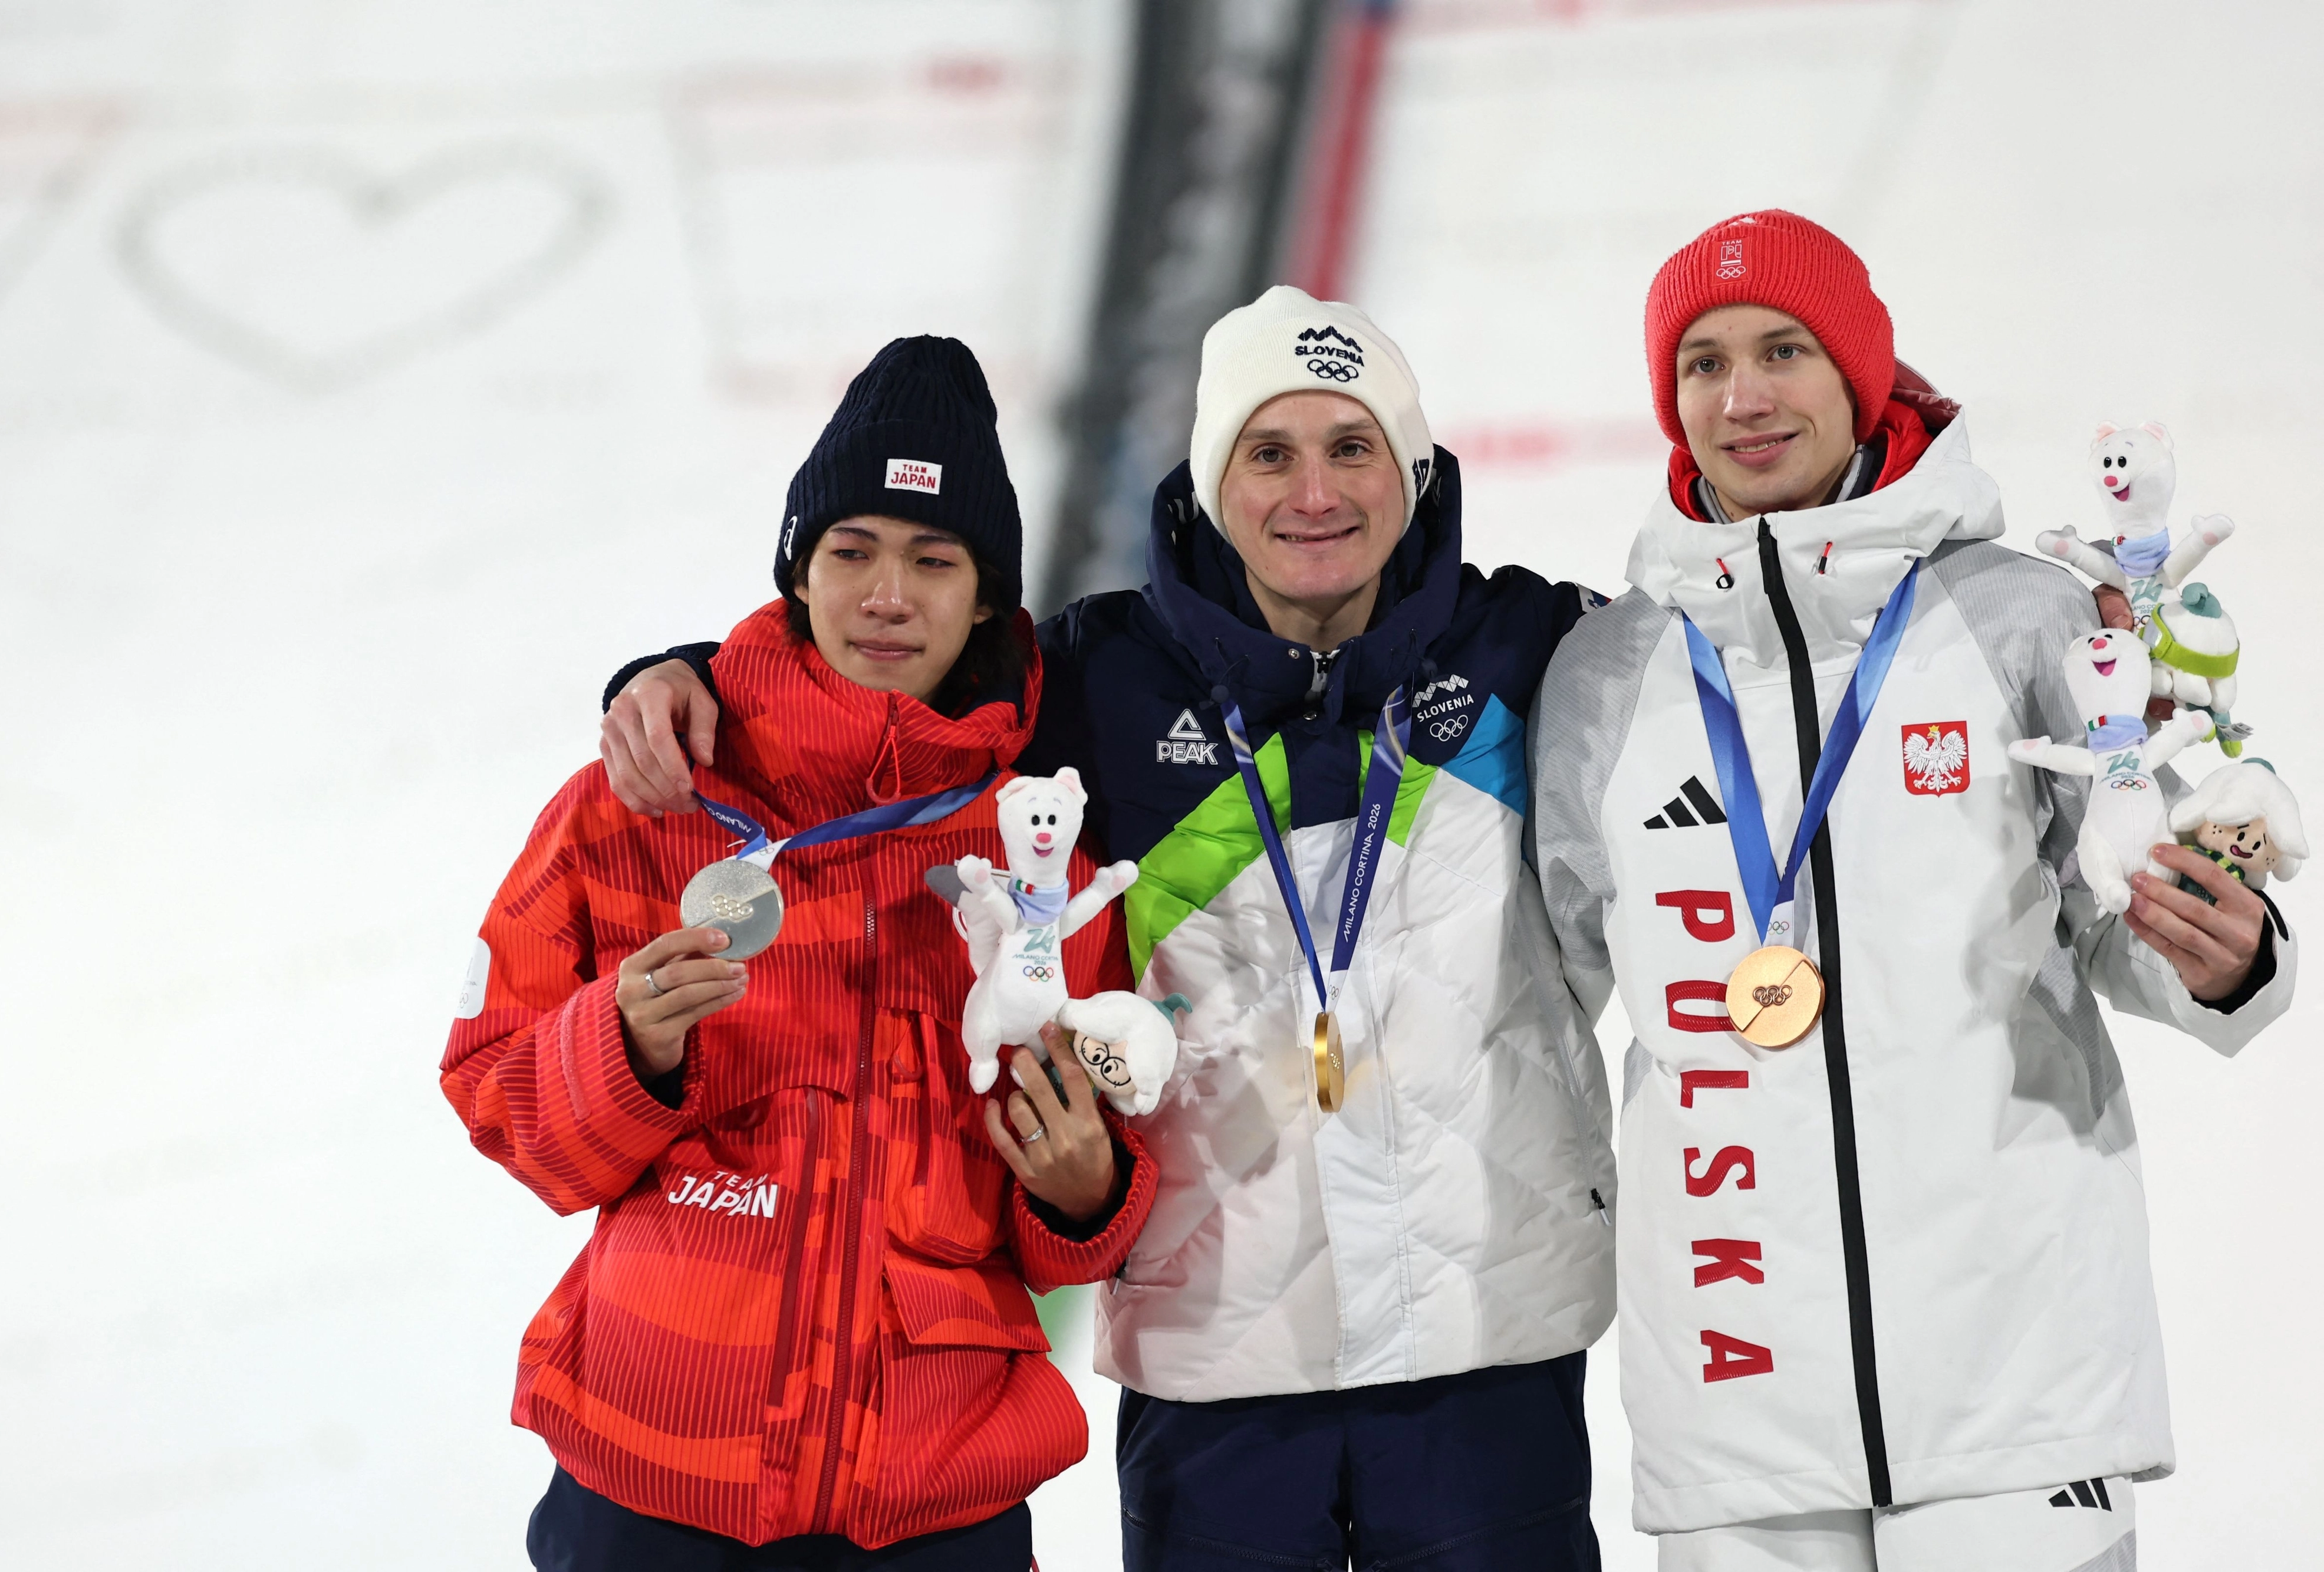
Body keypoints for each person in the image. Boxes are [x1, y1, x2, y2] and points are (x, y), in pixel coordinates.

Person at [600, 288, 1615, 1570]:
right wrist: (680, 672)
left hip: (1487, 1347)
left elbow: (1727, 664)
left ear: (1412, 474)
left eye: (1350, 447)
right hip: (1216, 1351)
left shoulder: (1532, 648)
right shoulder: (1091, 678)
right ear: (1209, 478)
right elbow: (882, 690)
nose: (1313, 491)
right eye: (1268, 451)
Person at [1529, 210, 2295, 1571]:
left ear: (1860, 373)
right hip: (1736, 1407)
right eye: (1700, 363)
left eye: (1783, 349)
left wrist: (2224, 954)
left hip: (2018, 1388)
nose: (1742, 394)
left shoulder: (2016, 615)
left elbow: (2137, 913)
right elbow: (1541, 1005)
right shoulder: (1604, 676)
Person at [443, 336, 1160, 1572]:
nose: (888, 595)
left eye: (934, 561)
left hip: (935, 1499)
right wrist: (622, 1047)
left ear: (988, 596)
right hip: (651, 1471)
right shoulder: (645, 799)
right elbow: (494, 1087)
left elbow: (1082, 1214)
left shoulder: (1042, 854)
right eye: (851, 552)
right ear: (797, 569)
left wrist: (1082, 1187)